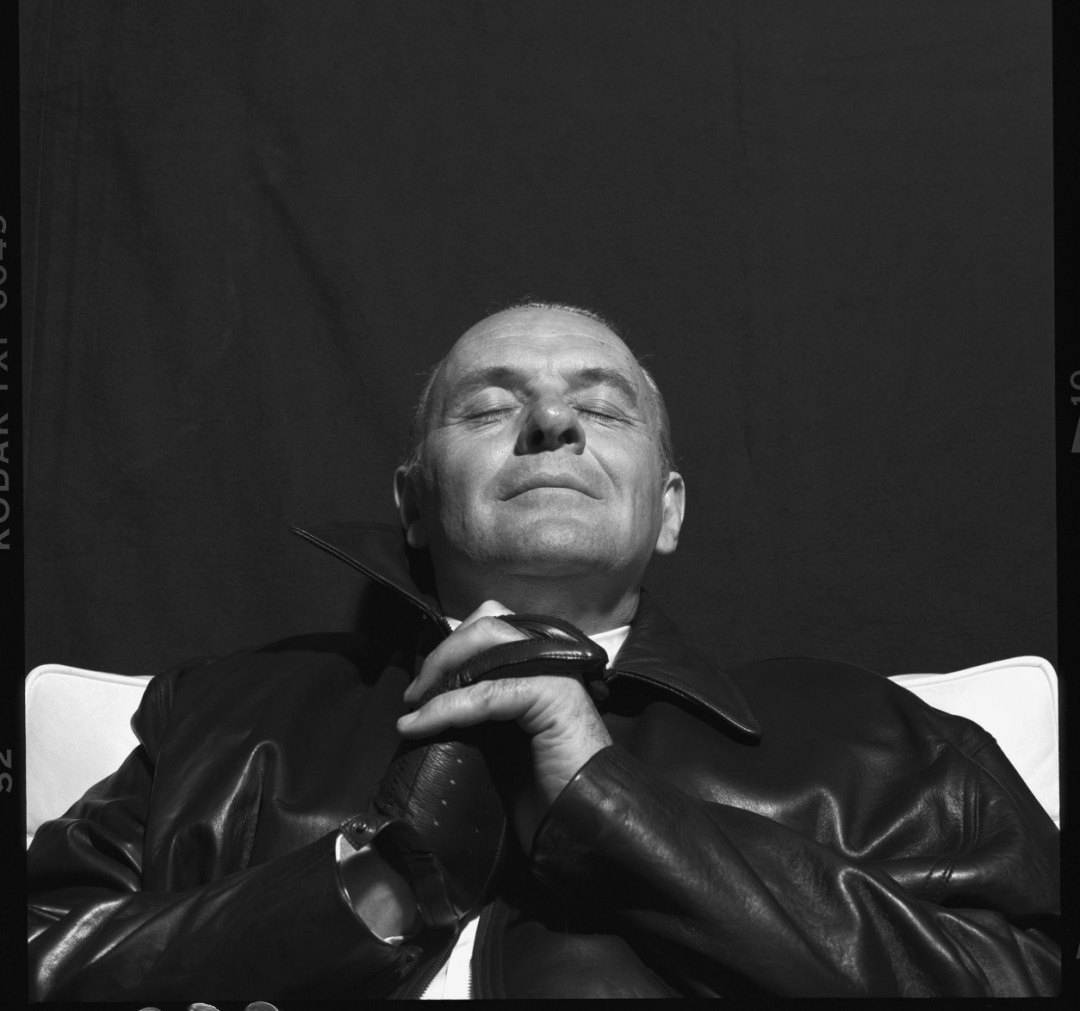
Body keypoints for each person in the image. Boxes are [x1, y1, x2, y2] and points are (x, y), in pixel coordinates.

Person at [27, 303, 1060, 1000]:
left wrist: (609, 805)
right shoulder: (223, 716)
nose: (554, 419)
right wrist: (374, 886)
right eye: (489, 406)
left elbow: (1033, 974)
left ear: (668, 509)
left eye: (603, 407)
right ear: (413, 504)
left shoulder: (879, 741)